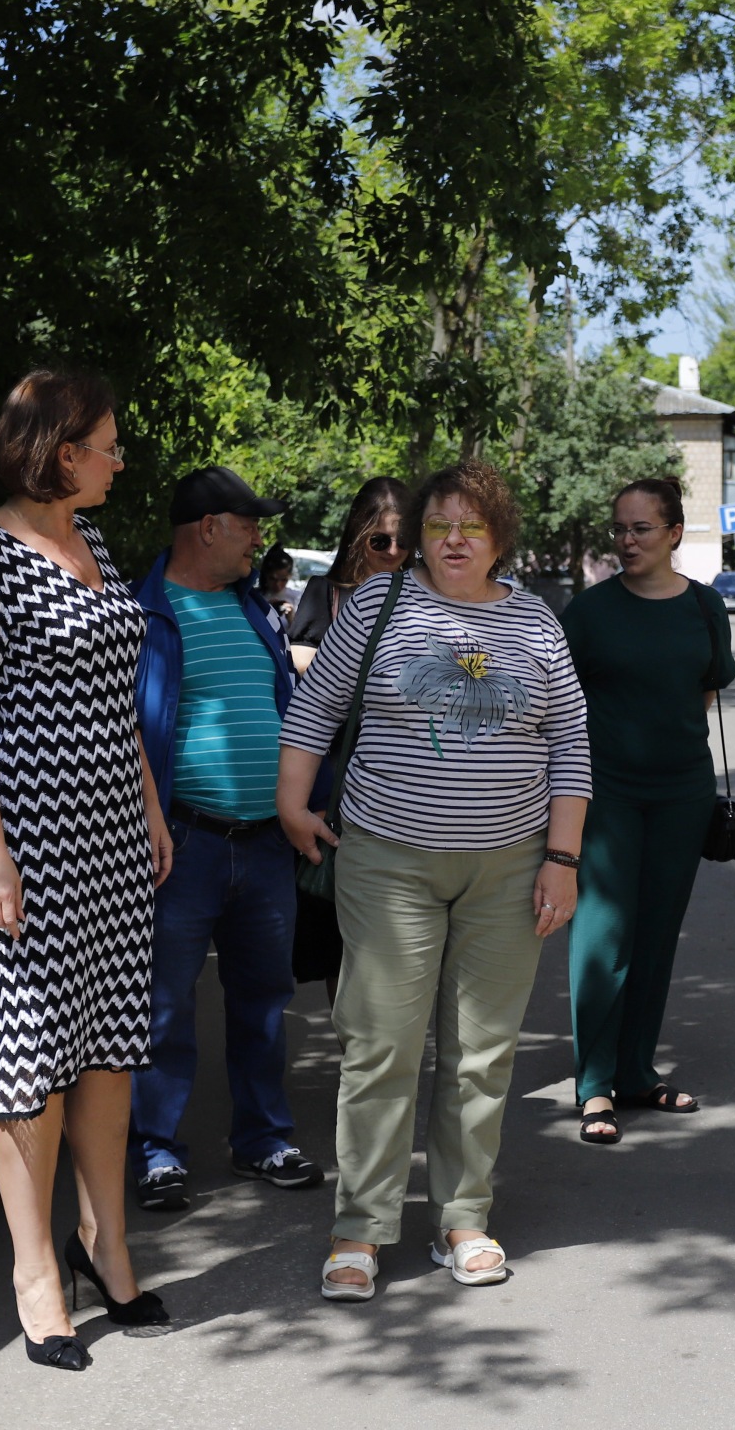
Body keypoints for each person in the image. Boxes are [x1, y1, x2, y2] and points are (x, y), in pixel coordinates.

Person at [275, 460, 591, 1300]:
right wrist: (291, 803)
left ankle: (464, 1218)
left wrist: (562, 860)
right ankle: (359, 1229)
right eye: (440, 524)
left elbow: (570, 743)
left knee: (481, 1052)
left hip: (510, 865)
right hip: (388, 861)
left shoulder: (535, 621)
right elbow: (316, 707)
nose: (455, 540)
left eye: (472, 526)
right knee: (381, 1045)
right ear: (419, 532)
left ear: (499, 537)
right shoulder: (379, 604)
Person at [0, 368, 176, 1374]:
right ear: (63, 452)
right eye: (108, 445)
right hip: (25, 853)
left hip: (111, 840)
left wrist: (148, 807)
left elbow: (116, 698)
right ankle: (37, 1275)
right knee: (29, 1065)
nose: (120, 460)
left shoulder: (94, 542)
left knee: (109, 1048)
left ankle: (105, 1243)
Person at [130, 468, 325, 1213]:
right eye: (248, 525)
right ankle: (157, 1152)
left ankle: (263, 1138)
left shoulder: (255, 608)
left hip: (266, 843)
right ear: (208, 527)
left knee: (264, 1001)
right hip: (184, 843)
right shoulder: (141, 613)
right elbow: (125, 730)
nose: (259, 541)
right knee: (165, 1005)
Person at [560, 478, 735, 1144]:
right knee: (603, 936)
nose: (627, 541)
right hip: (606, 791)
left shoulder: (705, 606)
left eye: (641, 529)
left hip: (682, 792)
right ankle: (594, 1084)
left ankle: (635, 1072)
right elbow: (559, 703)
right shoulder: (589, 611)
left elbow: (704, 691)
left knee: (658, 935)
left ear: (674, 533)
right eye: (619, 529)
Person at [288, 476, 411, 674]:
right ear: (358, 533)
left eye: (404, 539)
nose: (393, 551)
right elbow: (300, 663)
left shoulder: (423, 593)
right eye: (380, 541)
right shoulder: (325, 593)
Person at [258, 545, 296, 622]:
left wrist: (292, 620)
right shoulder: (255, 597)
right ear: (265, 575)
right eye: (272, 579)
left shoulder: (296, 598)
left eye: (283, 580)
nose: (278, 585)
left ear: (290, 576)